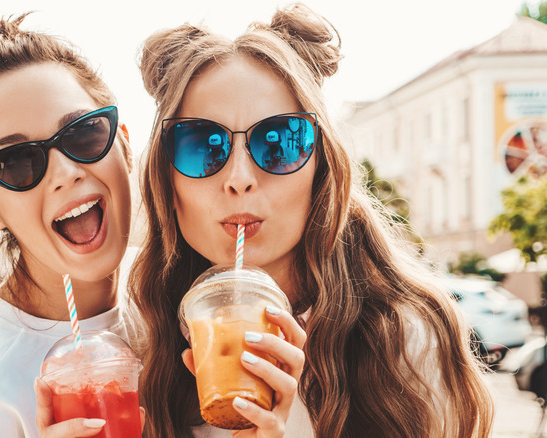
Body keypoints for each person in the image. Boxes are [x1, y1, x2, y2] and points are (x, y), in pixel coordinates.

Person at [131, 3, 493, 437]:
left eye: (278, 142)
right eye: (200, 145)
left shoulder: (406, 339)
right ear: (165, 180)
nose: (240, 179)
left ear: (322, 168)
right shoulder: (141, 344)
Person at [0, 14, 138, 438]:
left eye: (83, 133)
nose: (64, 172)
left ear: (124, 145)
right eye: (16, 162)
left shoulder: (183, 305)